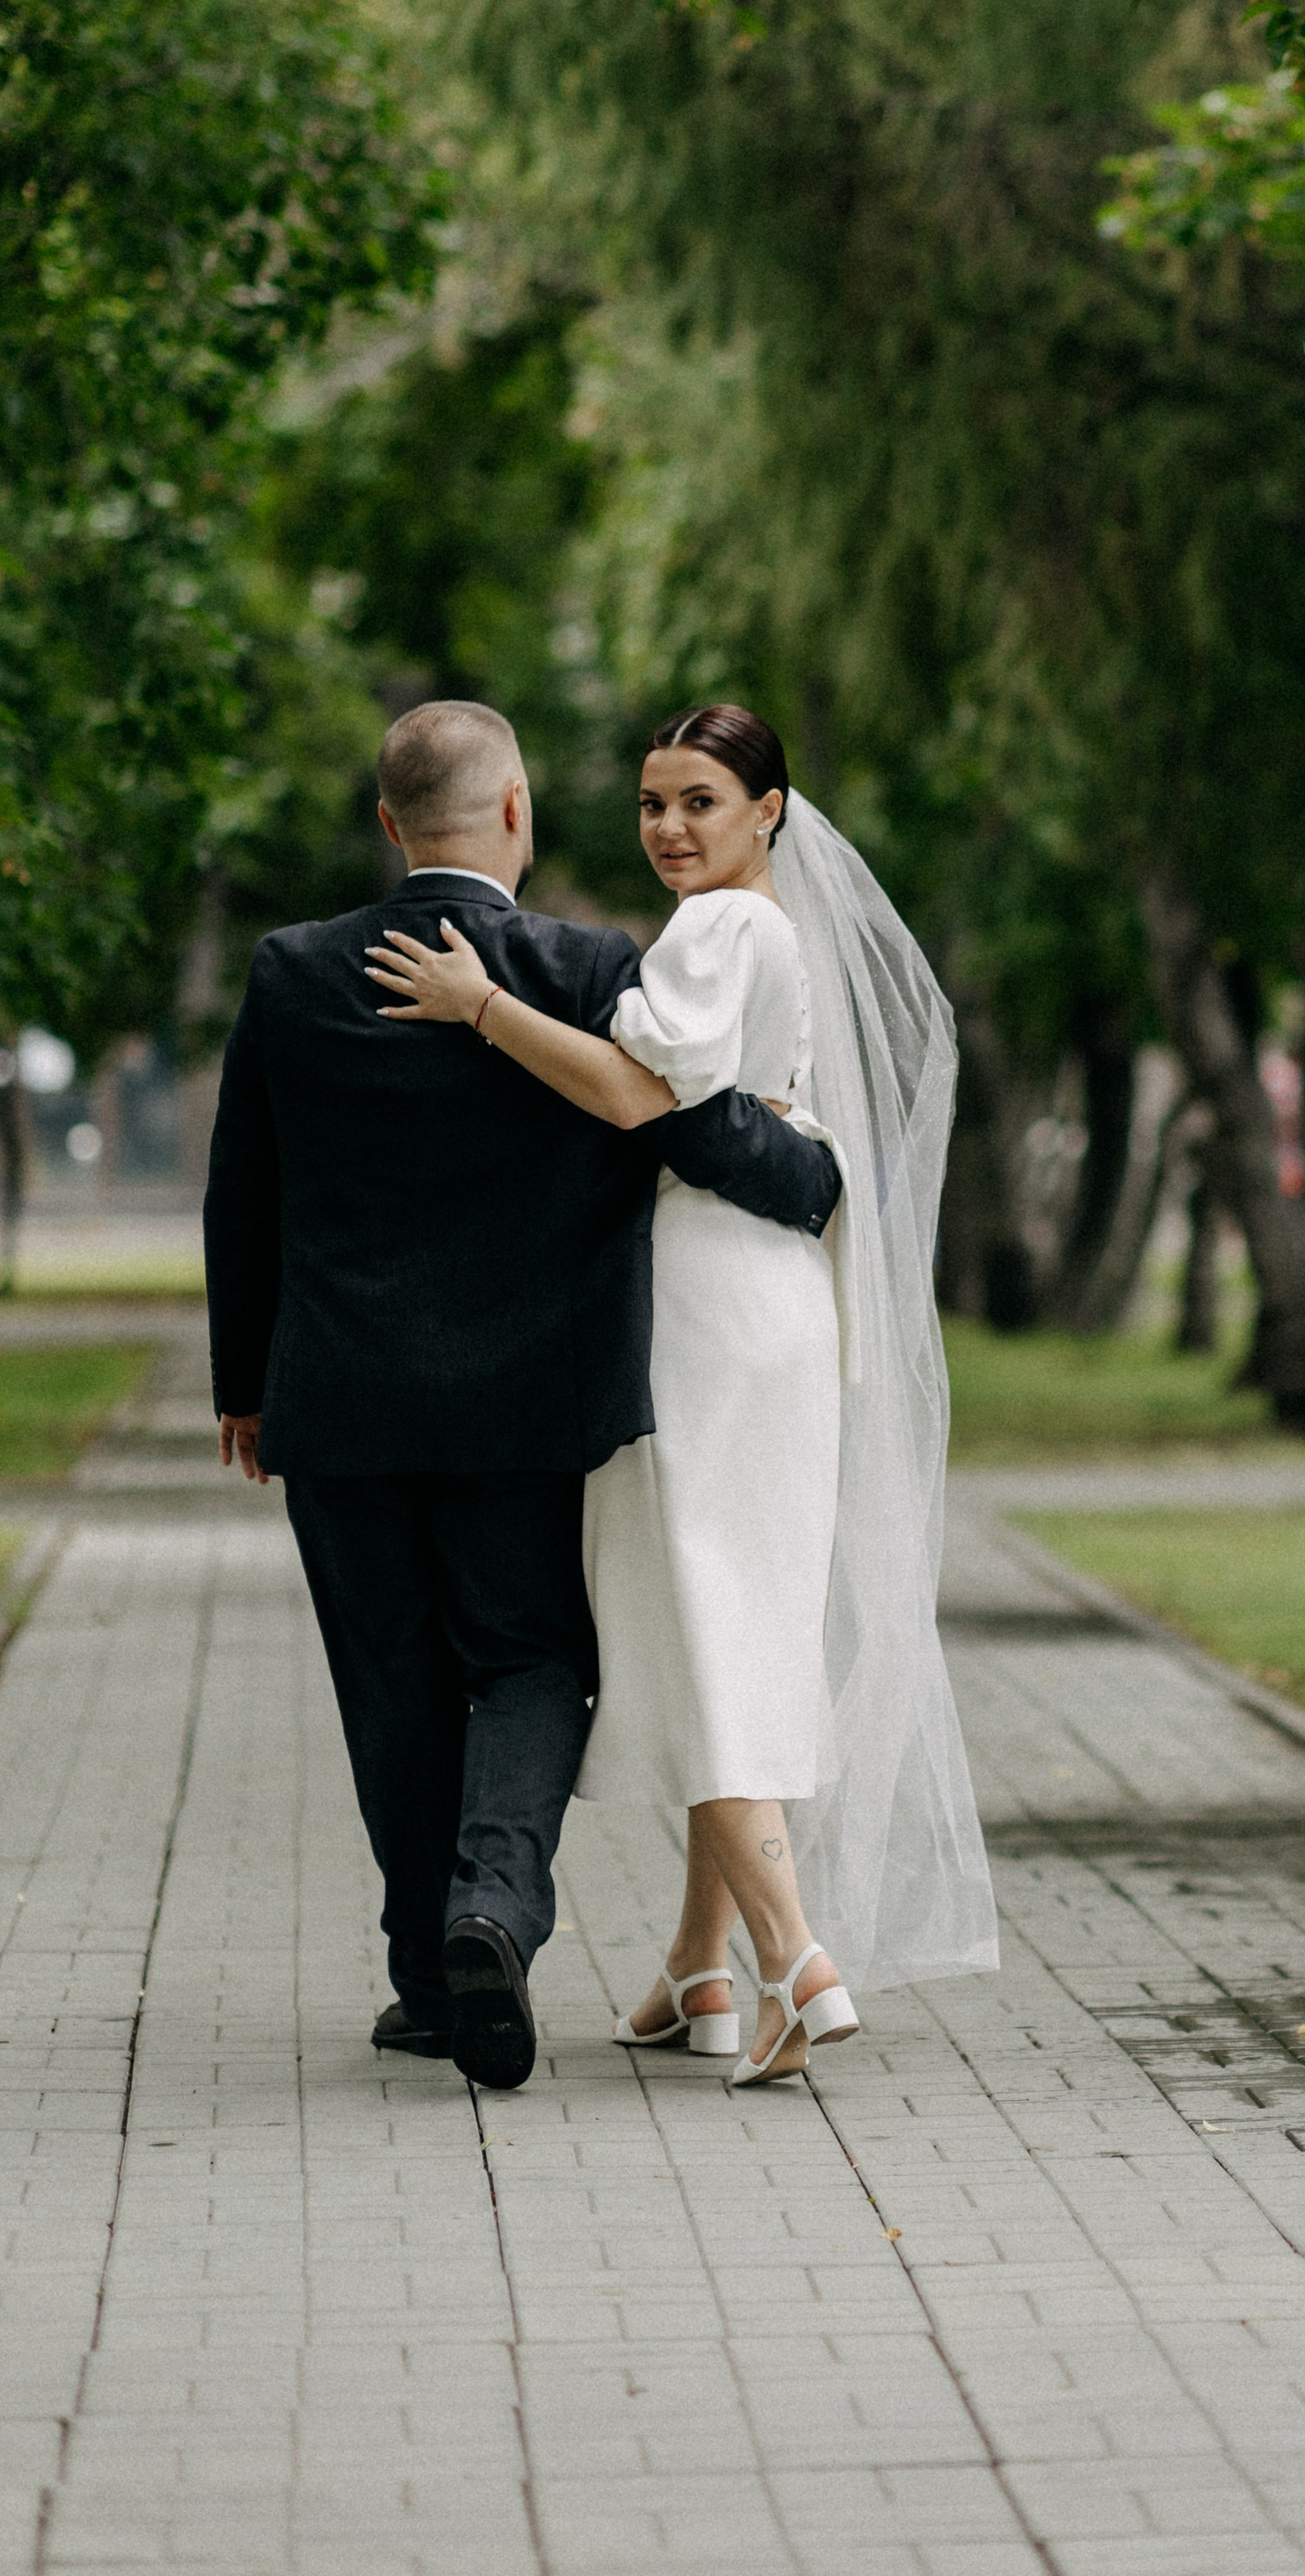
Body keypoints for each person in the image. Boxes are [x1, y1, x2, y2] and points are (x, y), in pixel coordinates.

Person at [204, 700, 843, 2092]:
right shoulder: (575, 963)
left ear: (388, 823)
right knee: (530, 1661)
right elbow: (678, 1120)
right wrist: (816, 1177)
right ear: (516, 811)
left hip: (341, 1402)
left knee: (391, 1681)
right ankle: (493, 1907)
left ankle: (433, 1981)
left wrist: (242, 1384)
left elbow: (243, 1187)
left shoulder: (292, 969)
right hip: (523, 1407)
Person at [366, 703, 997, 2090]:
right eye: (654, 803)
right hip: (771, 1297)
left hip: (705, 1307)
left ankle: (794, 1957)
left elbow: (636, 1095)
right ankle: (695, 1972)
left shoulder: (719, 931)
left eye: (700, 801)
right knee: (734, 1606)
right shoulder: (780, 931)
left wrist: (482, 1007)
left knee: (701, 1620)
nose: (669, 828)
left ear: (769, 810)